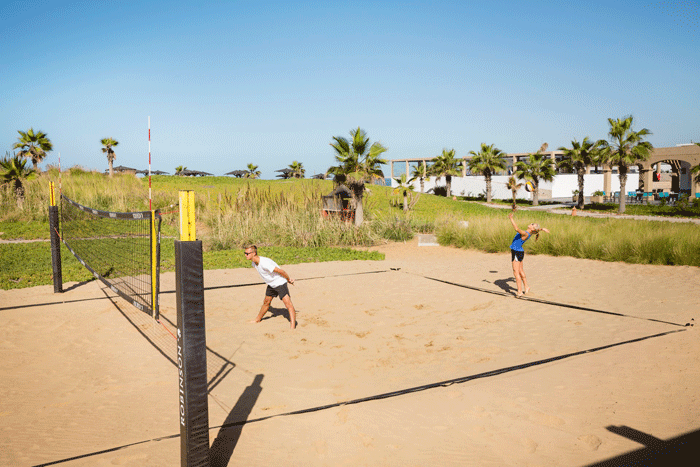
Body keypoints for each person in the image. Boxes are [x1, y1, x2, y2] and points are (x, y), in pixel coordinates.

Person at [245, 245, 297, 329]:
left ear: (254, 253)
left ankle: (293, 326)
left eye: (247, 253)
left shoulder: (264, 263)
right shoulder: (254, 263)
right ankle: (257, 320)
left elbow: (280, 271)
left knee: (288, 304)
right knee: (266, 302)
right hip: (271, 284)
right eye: (245, 253)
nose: (245, 255)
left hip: (280, 283)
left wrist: (288, 279)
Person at [508, 211, 550, 298]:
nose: (531, 223)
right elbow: (536, 231)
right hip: (520, 252)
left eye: (532, 224)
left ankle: (519, 291)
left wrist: (511, 219)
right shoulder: (530, 233)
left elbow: (516, 228)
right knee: (520, 271)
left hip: (516, 252)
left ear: (532, 229)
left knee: (516, 272)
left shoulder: (525, 233)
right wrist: (542, 229)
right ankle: (526, 287)